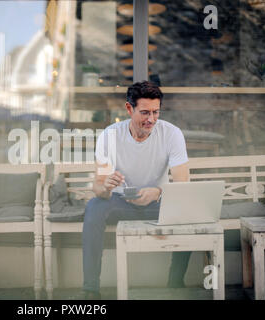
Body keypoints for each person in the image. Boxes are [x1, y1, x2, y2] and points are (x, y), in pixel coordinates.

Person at [80, 81, 190, 299]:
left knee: (186, 210)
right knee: (94, 208)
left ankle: (175, 283)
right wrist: (106, 187)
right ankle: (91, 290)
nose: (151, 119)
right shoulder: (110, 136)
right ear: (129, 109)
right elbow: (98, 187)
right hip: (121, 203)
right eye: (145, 112)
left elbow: (182, 183)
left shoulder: (172, 134)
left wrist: (158, 191)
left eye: (156, 112)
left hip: (159, 203)